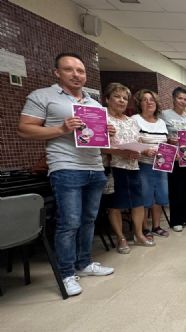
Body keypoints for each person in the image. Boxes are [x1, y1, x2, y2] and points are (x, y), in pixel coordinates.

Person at [17, 53, 114, 296]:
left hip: (94, 166)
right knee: (69, 222)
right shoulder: (42, 96)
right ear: (57, 73)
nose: (76, 75)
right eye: (69, 69)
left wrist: (106, 131)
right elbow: (25, 130)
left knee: (89, 219)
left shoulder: (93, 103)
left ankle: (84, 262)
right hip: (66, 167)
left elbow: (98, 141)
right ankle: (66, 272)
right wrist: (61, 129)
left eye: (80, 70)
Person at [102, 83, 156, 253]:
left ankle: (139, 235)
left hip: (133, 167)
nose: (122, 101)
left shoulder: (130, 121)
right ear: (107, 99)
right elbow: (97, 145)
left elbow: (138, 142)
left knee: (138, 203)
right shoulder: (103, 120)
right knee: (115, 205)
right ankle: (121, 238)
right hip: (113, 167)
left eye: (125, 98)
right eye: (117, 97)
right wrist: (122, 152)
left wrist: (146, 150)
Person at [159, 87, 186, 232]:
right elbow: (161, 135)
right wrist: (169, 140)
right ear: (174, 98)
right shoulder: (164, 115)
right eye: (180, 98)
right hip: (174, 157)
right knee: (176, 188)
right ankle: (176, 219)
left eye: (185, 99)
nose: (183, 101)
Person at [131, 89, 170, 238]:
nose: (149, 102)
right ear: (139, 103)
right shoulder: (134, 119)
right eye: (145, 100)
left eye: (152, 99)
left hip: (162, 164)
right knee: (145, 196)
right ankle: (144, 228)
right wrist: (145, 150)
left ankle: (156, 226)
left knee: (160, 196)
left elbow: (165, 142)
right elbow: (131, 142)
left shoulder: (161, 122)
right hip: (143, 164)